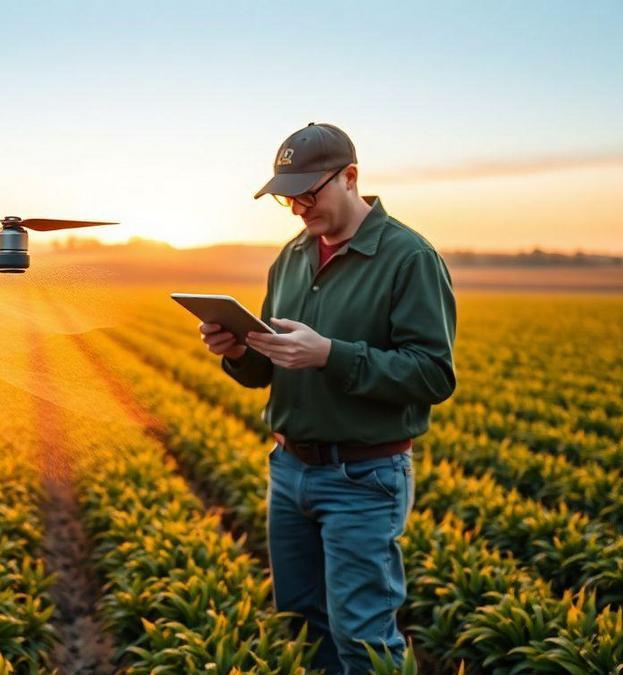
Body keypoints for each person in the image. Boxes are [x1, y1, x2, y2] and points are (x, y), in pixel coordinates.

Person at [199, 122, 456, 673]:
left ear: (351, 178)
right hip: (289, 471)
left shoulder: (408, 257)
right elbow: (266, 371)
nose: (297, 207)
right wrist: (237, 352)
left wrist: (330, 355)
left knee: (362, 638)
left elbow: (434, 375)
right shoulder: (289, 257)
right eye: (288, 197)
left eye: (308, 193)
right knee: (300, 624)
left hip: (364, 479)